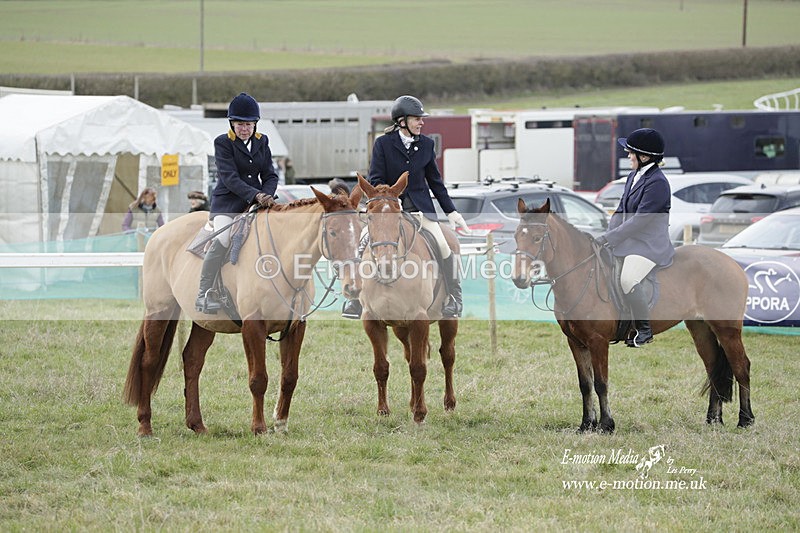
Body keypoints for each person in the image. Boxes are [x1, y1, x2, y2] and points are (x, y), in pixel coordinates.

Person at [341, 95, 470, 319]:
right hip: (388, 209)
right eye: (417, 119)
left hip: (420, 210)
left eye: (422, 119)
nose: (421, 123)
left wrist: (451, 211)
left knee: (444, 245)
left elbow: (435, 182)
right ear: (402, 121)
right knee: (361, 243)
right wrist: (390, 198)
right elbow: (376, 177)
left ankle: (454, 298)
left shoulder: (428, 144)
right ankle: (356, 299)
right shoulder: (383, 143)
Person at [195, 92, 279, 314]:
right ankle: (204, 293)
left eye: (249, 124)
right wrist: (256, 195)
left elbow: (270, 175)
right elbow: (230, 178)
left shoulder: (262, 142)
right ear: (232, 124)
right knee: (223, 238)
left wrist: (267, 195)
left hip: (257, 202)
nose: (245, 128)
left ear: (255, 124)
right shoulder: (223, 143)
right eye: (240, 124)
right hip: (228, 203)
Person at [596, 128, 675, 347]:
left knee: (628, 279)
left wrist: (611, 239)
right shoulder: (634, 176)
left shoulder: (658, 183)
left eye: (631, 153)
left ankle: (644, 329)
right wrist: (607, 236)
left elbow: (641, 220)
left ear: (644, 156)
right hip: (630, 241)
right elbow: (621, 211)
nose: (628, 156)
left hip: (649, 244)